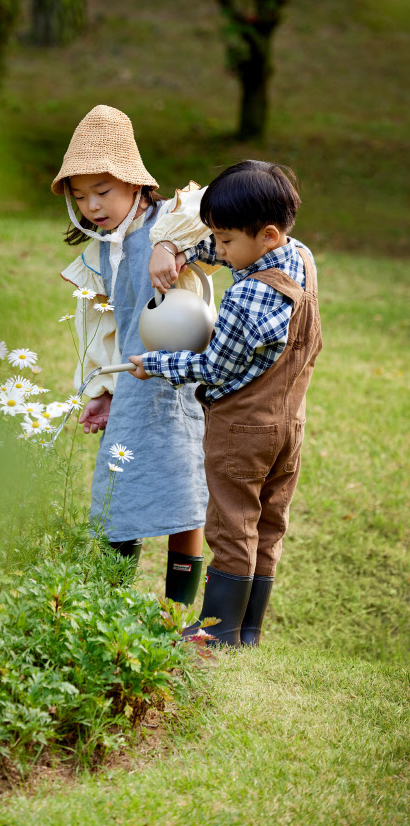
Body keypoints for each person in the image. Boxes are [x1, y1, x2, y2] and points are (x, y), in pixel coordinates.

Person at [129, 159, 322, 646]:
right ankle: (247, 630)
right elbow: (232, 249)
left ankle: (216, 633)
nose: (218, 250)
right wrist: (179, 249)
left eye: (225, 241)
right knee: (269, 523)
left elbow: (215, 367)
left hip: (242, 430)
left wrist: (158, 363)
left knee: (231, 524)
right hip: (290, 425)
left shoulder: (246, 300)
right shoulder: (299, 257)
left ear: (269, 235)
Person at [53, 104, 218, 607]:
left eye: (102, 191)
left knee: (181, 493)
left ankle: (177, 612)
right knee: (117, 489)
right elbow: (107, 327)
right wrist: (101, 392)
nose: (93, 206)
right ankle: (107, 607)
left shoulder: (169, 221)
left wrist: (171, 245)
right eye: (80, 197)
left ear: (135, 185)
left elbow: (211, 208)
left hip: (174, 385)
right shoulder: (103, 249)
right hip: (130, 383)